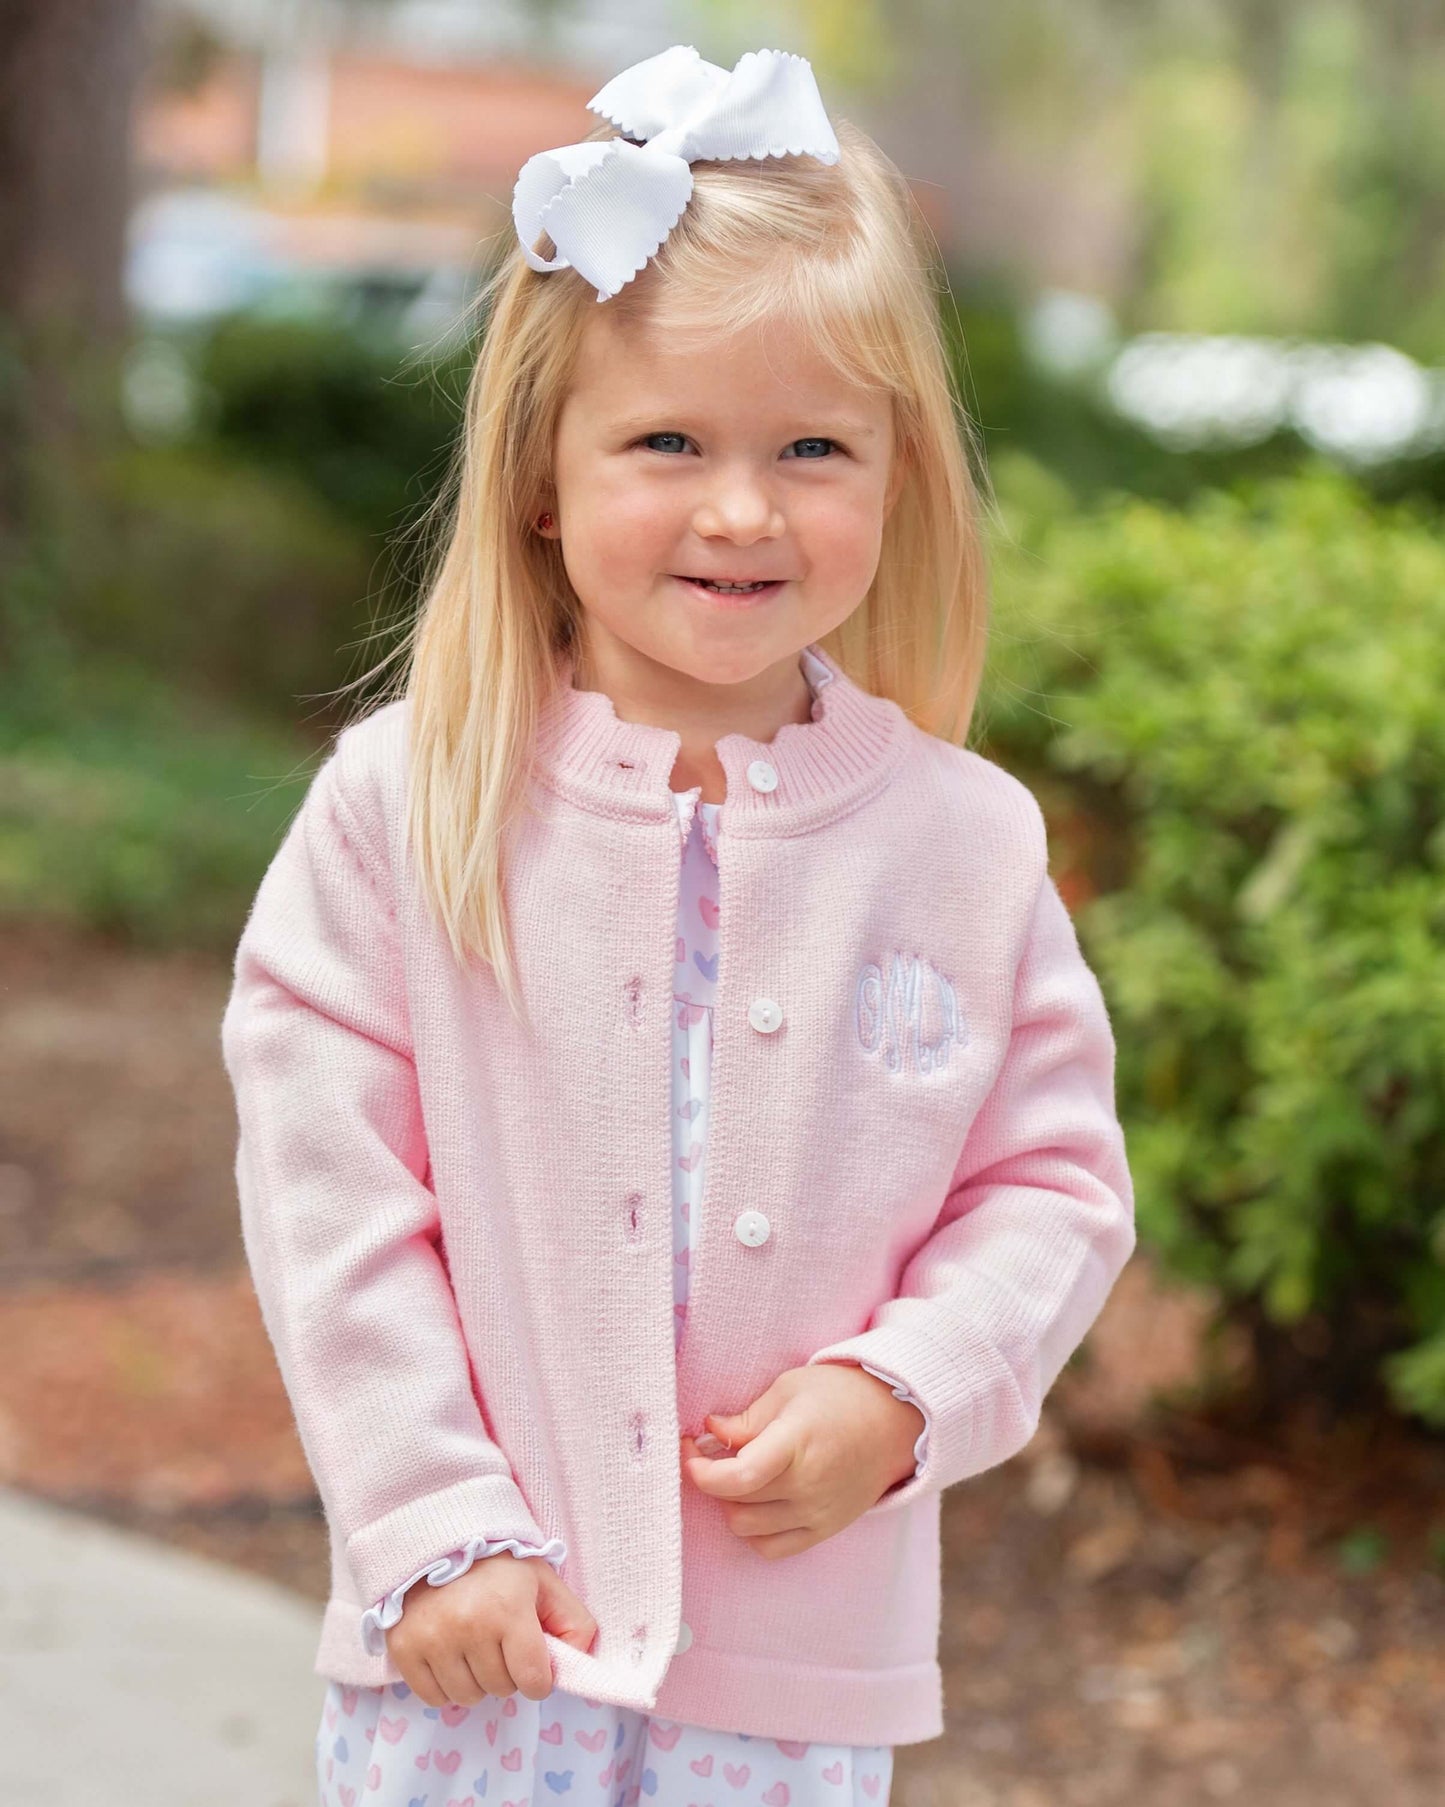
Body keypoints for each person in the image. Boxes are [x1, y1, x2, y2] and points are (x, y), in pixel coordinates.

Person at [220, 43, 1137, 1807]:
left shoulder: (964, 843)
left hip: (786, 1677)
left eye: (812, 447)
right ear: (545, 478)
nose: (741, 506)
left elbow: (1052, 1189)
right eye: (668, 441)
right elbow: (326, 1187)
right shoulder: (409, 806)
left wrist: (903, 1392)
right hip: (481, 1649)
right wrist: (429, 1517)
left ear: (899, 477)